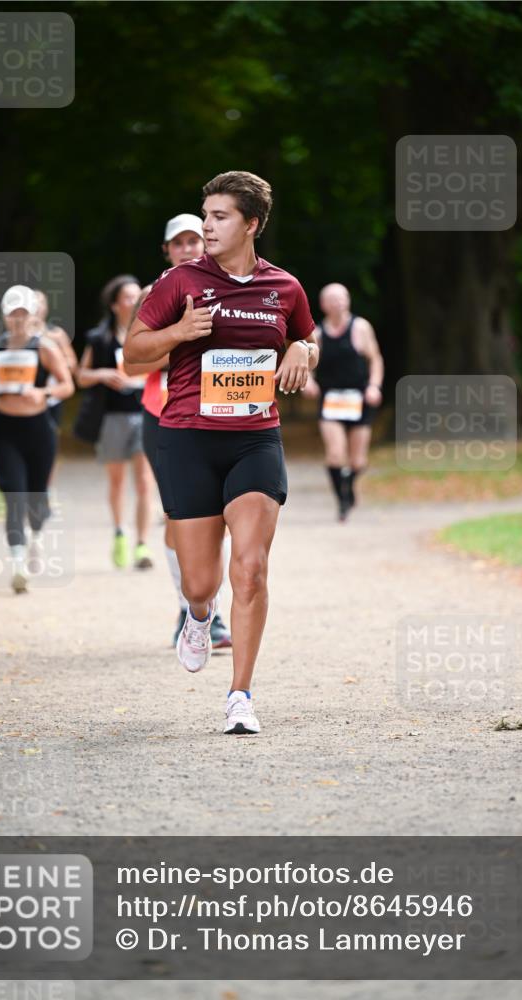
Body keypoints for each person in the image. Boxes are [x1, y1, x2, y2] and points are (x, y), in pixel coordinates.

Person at [125, 170, 318, 735]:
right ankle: (198, 615)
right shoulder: (179, 282)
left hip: (255, 438)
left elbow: (305, 337)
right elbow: (132, 354)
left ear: (251, 224)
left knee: (252, 568)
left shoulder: (285, 287)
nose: (206, 226)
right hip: (186, 438)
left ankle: (240, 695)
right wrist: (179, 332)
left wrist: (304, 350)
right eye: (205, 215)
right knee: (200, 581)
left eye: (219, 216)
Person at [132, 214, 232, 650]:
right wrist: (180, 340)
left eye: (195, 240)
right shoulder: (154, 294)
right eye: (179, 243)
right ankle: (189, 606)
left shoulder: (230, 287)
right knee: (181, 516)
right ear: (167, 250)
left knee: (224, 519)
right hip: (165, 415)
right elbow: (132, 361)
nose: (188, 248)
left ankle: (211, 605)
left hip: (221, 413)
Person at [0, 284, 74, 592]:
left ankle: (36, 536)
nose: (18, 319)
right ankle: (18, 565)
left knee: (35, 498)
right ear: (4, 316)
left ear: (33, 315)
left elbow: (66, 385)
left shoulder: (44, 347)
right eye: (12, 314)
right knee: (14, 498)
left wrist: (42, 392)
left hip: (38, 431)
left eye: (23, 313)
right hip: (6, 431)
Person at [76, 275, 155, 570]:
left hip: (145, 413)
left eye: (138, 295)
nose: (135, 301)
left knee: (145, 481)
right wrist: (103, 375)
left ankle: (143, 544)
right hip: (112, 418)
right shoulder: (100, 339)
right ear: (114, 304)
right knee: (117, 481)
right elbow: (80, 376)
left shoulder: (150, 334)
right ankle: (120, 532)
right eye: (128, 297)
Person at [303, 283, 384, 520]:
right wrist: (308, 382)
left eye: (342, 298)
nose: (338, 303)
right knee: (336, 455)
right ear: (323, 305)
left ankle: (349, 483)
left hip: (359, 399)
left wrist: (374, 386)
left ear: (348, 301)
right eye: (333, 299)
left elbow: (375, 359)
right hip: (331, 401)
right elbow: (307, 366)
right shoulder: (317, 334)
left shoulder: (360, 328)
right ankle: (342, 500)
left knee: (358, 460)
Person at [32, 290, 77, 433]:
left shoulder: (56, 334)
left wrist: (55, 366)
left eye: (41, 303)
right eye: (34, 303)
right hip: (24, 395)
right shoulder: (19, 336)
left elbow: (72, 363)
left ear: (46, 307)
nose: (38, 307)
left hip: (51, 397)